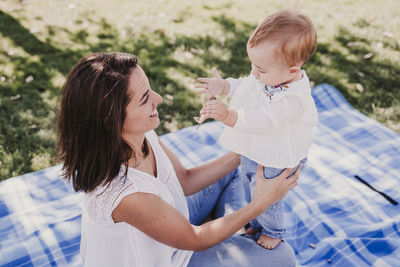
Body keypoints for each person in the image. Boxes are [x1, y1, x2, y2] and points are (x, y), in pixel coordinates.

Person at [57, 52, 301, 267]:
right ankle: (236, 233)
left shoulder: (139, 134)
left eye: (149, 89)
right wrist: (262, 202)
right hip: (176, 256)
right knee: (283, 257)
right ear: (110, 119)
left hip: (176, 226)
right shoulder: (125, 193)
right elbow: (196, 239)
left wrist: (249, 149)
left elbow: (184, 180)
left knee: (238, 169)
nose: (158, 98)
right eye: (144, 99)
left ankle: (233, 231)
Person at [196, 10, 318, 250]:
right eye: (253, 65)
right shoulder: (270, 76)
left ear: (293, 71)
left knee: (267, 194)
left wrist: (229, 116)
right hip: (257, 147)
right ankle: (255, 223)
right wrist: (224, 86)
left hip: (278, 154)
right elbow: (246, 86)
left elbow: (265, 120)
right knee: (247, 183)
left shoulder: (293, 98)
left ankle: (273, 231)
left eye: (260, 69)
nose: (254, 73)